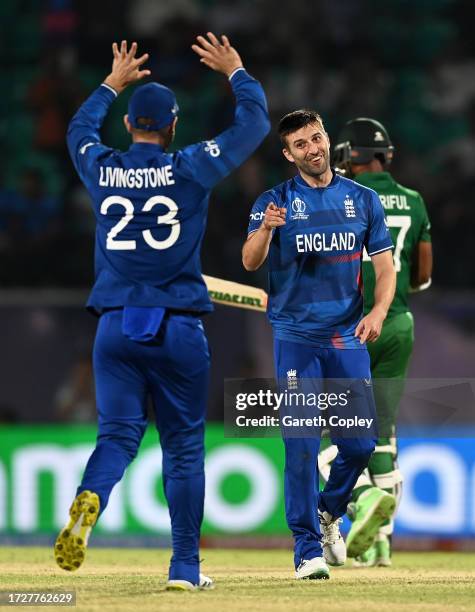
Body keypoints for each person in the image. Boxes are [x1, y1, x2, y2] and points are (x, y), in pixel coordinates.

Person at [54, 34, 270, 590]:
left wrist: (109, 84)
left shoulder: (102, 168)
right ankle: (184, 568)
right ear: (173, 127)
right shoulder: (191, 166)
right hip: (177, 327)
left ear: (129, 127)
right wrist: (237, 71)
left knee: (118, 437)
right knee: (183, 449)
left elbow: (77, 132)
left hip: (114, 327)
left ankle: (90, 501)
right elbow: (253, 127)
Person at [242, 109, 396, 580]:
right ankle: (306, 548)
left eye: (316, 138)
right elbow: (250, 262)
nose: (313, 148)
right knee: (303, 444)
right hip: (296, 339)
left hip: (347, 338)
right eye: (301, 145)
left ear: (327, 138)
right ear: (289, 155)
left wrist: (377, 313)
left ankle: (329, 513)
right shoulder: (274, 202)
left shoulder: (363, 200)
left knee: (360, 444)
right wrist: (266, 228)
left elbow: (386, 269)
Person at [319, 117, 432, 567]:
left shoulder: (340, 197)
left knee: (330, 432)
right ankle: (381, 541)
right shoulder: (414, 200)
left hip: (350, 326)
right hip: (398, 322)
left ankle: (362, 499)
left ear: (349, 155)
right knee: (381, 434)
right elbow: (423, 274)